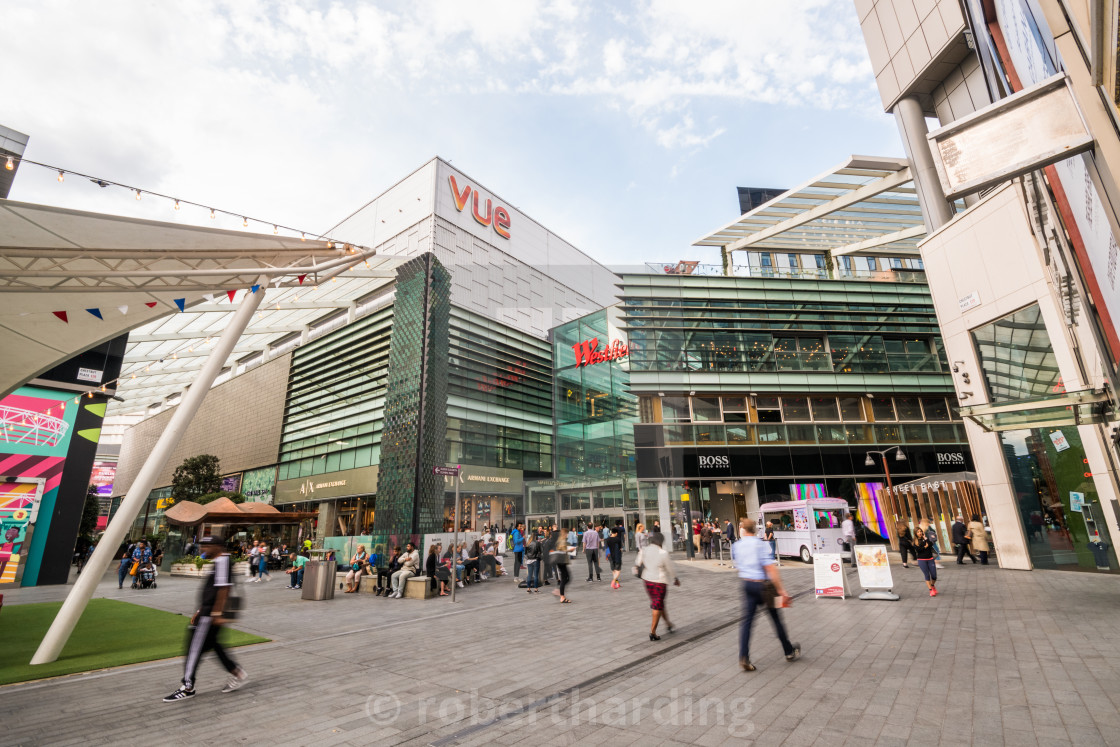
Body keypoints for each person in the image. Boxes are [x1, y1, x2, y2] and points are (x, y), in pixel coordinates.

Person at [163, 535, 247, 701]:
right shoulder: (222, 561)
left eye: (206, 546)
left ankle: (188, 686)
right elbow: (217, 589)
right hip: (208, 612)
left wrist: (215, 613)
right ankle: (237, 672)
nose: (202, 549)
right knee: (214, 645)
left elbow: (224, 589)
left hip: (210, 615)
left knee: (194, 649)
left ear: (218, 546)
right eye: (201, 545)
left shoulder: (222, 561)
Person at [732, 519, 799, 671]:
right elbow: (770, 568)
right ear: (754, 530)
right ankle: (788, 651)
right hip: (764, 586)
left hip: (747, 584)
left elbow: (738, 566)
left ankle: (744, 656)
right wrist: (781, 590)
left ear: (743, 529)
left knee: (747, 622)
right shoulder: (759, 544)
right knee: (775, 618)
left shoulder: (737, 546)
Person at [636, 532, 677, 640]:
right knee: (657, 605)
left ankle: (668, 624)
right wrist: (675, 578)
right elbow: (670, 568)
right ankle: (652, 632)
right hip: (659, 581)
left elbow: (637, 564)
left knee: (658, 603)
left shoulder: (644, 550)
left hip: (647, 581)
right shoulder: (663, 552)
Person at [913, 525, 938, 597]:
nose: (920, 533)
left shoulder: (925, 538)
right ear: (915, 533)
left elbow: (930, 543)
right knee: (927, 575)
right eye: (918, 532)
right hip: (922, 560)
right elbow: (918, 550)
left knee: (934, 576)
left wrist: (925, 538)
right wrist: (925, 547)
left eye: (920, 531)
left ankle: (932, 585)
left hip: (930, 559)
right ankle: (931, 590)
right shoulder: (915, 541)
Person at [549, 528, 573, 603]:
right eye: (567, 533)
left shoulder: (559, 540)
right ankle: (561, 596)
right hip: (562, 562)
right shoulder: (562, 541)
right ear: (564, 534)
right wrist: (570, 550)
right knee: (566, 578)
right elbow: (562, 551)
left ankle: (559, 592)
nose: (568, 535)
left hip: (560, 562)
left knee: (565, 578)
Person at [605, 525, 624, 589]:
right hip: (617, 556)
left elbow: (606, 549)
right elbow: (620, 548)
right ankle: (613, 582)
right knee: (618, 570)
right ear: (616, 533)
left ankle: (617, 583)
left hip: (610, 556)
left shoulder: (607, 540)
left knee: (614, 571)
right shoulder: (618, 539)